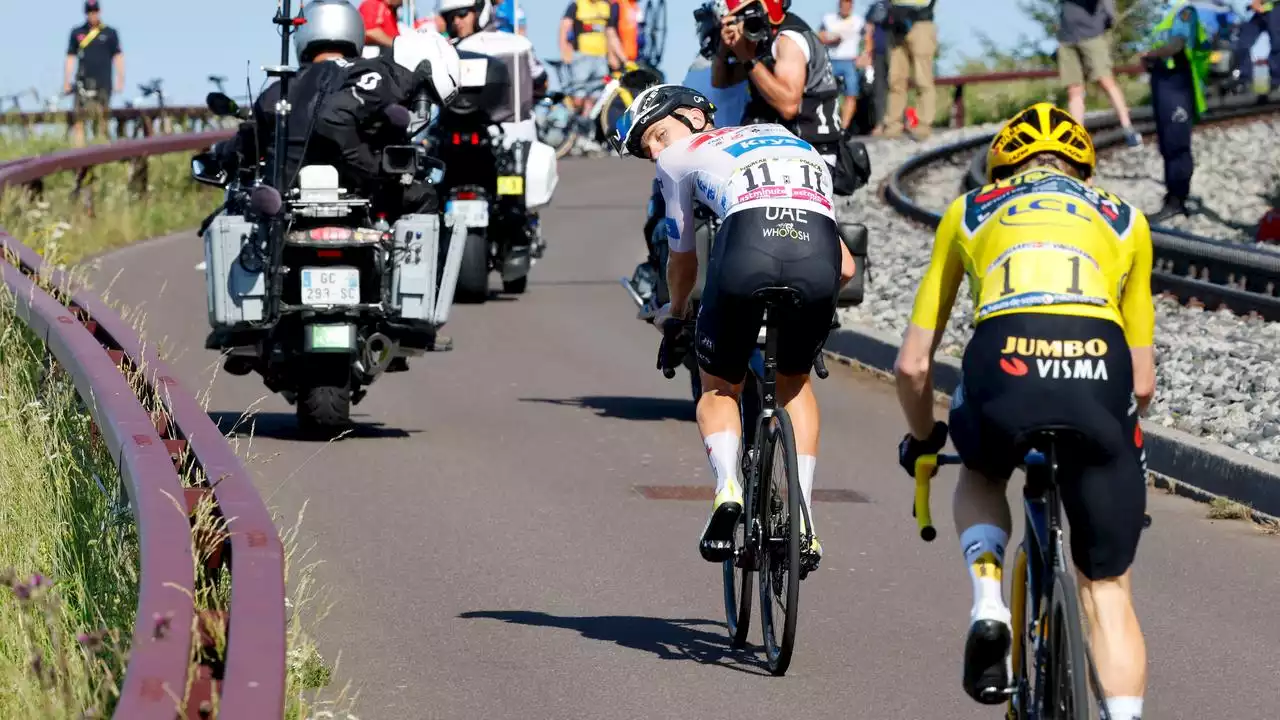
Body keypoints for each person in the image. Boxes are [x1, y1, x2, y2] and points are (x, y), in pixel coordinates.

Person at [894, 102, 1154, 720]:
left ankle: (988, 599)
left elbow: (911, 365)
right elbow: (1142, 382)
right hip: (1097, 370)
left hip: (1004, 363)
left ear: (998, 169)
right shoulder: (1126, 219)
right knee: (1108, 588)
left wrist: (925, 437)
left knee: (982, 471)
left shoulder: (971, 211)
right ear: (1084, 170)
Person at [610, 84, 858, 565]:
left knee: (719, 385)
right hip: (816, 257)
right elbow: (845, 267)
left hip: (746, 246)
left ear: (694, 118)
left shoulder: (679, 160)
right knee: (795, 382)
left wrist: (676, 314)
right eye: (650, 150)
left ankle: (727, 489)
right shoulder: (798, 146)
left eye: (659, 135)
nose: (658, 150)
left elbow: (682, 260)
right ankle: (803, 521)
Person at [711, 0, 843, 170]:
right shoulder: (763, 40)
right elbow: (721, 81)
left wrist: (747, 57)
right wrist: (723, 49)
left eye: (744, 14)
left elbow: (788, 106)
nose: (742, 23)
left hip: (811, 152)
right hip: (785, 146)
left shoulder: (788, 40)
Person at [1141, 1, 1213, 222]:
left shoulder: (1183, 11)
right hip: (1164, 82)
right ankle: (1172, 197)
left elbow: (1177, 45)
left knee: (1177, 145)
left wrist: (1150, 54)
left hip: (1178, 85)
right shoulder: (1166, 12)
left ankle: (1177, 201)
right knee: (1167, 144)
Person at [438, 0, 548, 138]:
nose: (456, 22)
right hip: (524, 131)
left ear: (479, 12)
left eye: (462, 14)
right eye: (451, 18)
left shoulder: (461, 50)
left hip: (479, 133)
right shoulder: (521, 44)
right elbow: (541, 80)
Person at [1057, 0, 1142, 147]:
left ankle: (1128, 129)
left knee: (1105, 81)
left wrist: (1106, 20)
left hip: (1091, 35)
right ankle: (1077, 138)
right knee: (1074, 89)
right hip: (1067, 37)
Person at [63, 0, 123, 146]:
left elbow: (118, 56)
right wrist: (66, 80)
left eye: (95, 11)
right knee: (79, 120)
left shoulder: (110, 33)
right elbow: (70, 57)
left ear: (99, 12)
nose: (92, 15)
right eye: (90, 12)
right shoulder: (77, 33)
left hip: (103, 82)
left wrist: (120, 79)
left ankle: (102, 153)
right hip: (82, 83)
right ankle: (79, 156)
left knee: (102, 120)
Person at [882, 0, 937, 140]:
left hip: (921, 21)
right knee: (895, 79)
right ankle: (893, 125)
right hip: (897, 23)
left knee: (923, 79)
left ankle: (924, 124)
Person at [819, 0, 870, 134]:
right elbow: (820, 36)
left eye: (848, 3)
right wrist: (831, 39)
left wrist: (864, 55)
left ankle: (844, 128)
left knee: (851, 94)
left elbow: (868, 39)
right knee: (827, 94)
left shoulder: (858, 21)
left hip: (850, 61)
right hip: (831, 60)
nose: (846, 6)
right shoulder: (829, 19)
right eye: (843, 3)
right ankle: (828, 124)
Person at [560, 0, 618, 114]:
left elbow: (610, 32)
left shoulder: (606, 6)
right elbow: (564, 28)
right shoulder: (577, 5)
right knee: (578, 95)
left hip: (601, 58)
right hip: (581, 57)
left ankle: (587, 124)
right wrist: (565, 51)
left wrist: (612, 55)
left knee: (597, 95)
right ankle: (574, 121)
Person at [1236, 0, 1278, 96]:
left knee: (1268, 49)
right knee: (1248, 48)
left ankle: (1268, 86)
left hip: (1271, 10)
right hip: (1254, 14)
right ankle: (1260, 89)